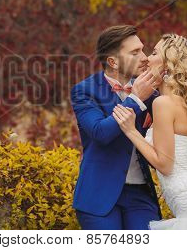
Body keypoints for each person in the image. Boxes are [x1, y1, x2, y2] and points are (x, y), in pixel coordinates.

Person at [112, 33, 187, 229]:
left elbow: (165, 165)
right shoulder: (185, 104)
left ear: (168, 65)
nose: (147, 58)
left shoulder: (163, 103)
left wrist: (131, 130)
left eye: (154, 53)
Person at [70, 25, 165, 229]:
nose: (145, 57)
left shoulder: (153, 93)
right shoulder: (84, 91)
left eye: (142, 49)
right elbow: (100, 132)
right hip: (98, 195)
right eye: (134, 53)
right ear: (113, 62)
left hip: (141, 195)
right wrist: (135, 98)